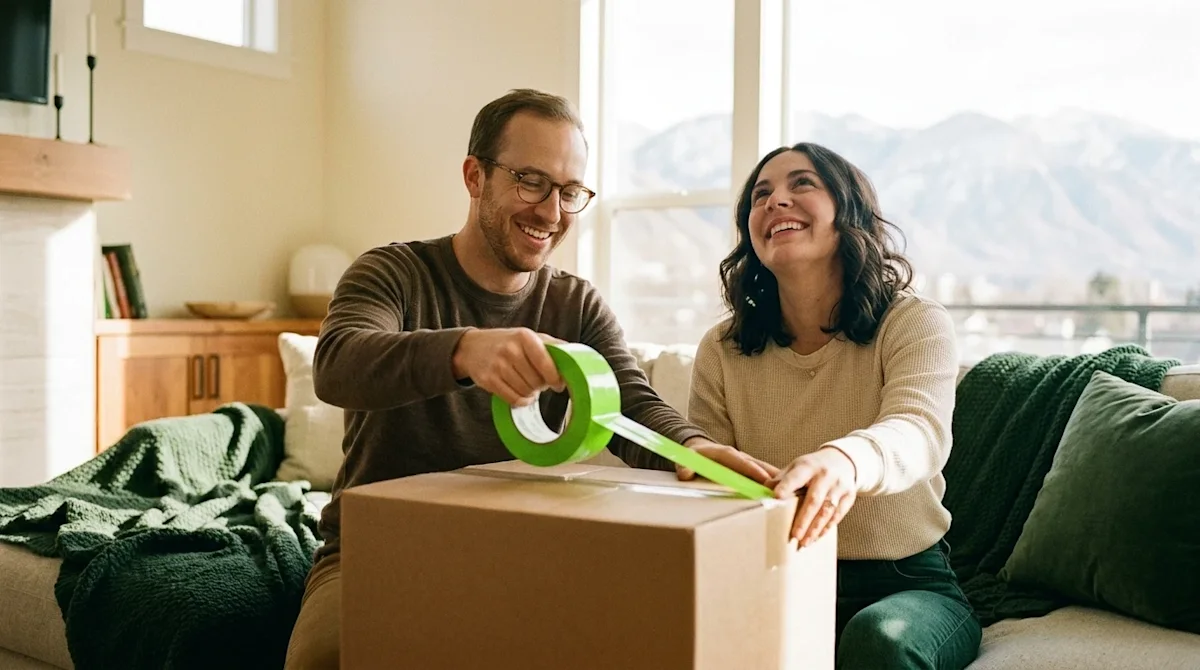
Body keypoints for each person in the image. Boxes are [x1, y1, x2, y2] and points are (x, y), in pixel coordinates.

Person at [282, 88, 766, 669]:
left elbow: (629, 405)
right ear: (474, 176)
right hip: (374, 550)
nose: (551, 211)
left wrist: (696, 448)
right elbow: (338, 364)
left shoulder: (577, 305)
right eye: (530, 181)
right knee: (327, 658)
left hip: (523, 547)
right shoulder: (393, 272)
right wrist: (465, 351)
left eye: (569, 191)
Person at [681, 142, 983, 669]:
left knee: (879, 641)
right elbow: (709, 475)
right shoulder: (722, 349)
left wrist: (846, 461)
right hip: (774, 573)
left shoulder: (913, 322)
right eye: (761, 194)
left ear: (849, 213)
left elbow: (920, 431)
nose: (776, 200)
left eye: (802, 184)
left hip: (905, 584)